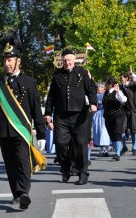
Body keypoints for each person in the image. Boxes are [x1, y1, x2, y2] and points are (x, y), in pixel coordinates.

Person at [0, 30, 46, 210]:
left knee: (22, 161)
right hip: (4, 131)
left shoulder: (29, 82)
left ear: (18, 61)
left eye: (10, 60)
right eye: (5, 60)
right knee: (10, 164)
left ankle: (24, 192)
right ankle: (16, 194)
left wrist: (41, 133)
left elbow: (35, 110)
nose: (6, 63)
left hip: (21, 130)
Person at [44, 49, 97, 185]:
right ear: (62, 61)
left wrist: (93, 103)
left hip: (80, 115)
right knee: (61, 144)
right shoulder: (57, 76)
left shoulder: (82, 73)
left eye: (69, 60)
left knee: (80, 145)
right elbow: (51, 97)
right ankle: (66, 167)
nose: (67, 62)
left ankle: (83, 173)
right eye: (65, 60)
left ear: (74, 60)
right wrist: (48, 114)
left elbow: (91, 89)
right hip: (61, 116)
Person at [102, 76, 127, 161]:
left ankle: (117, 153)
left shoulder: (118, 92)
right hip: (108, 116)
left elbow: (124, 100)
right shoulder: (106, 92)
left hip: (118, 115)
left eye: (106, 83)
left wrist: (118, 92)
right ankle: (120, 149)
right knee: (111, 134)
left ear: (110, 84)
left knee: (117, 133)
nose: (105, 84)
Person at [93, 83, 111, 157]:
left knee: (105, 131)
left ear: (103, 88)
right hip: (97, 114)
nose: (98, 89)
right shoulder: (95, 95)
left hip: (104, 113)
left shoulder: (106, 94)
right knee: (98, 131)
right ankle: (101, 150)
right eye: (98, 87)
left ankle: (106, 149)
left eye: (100, 87)